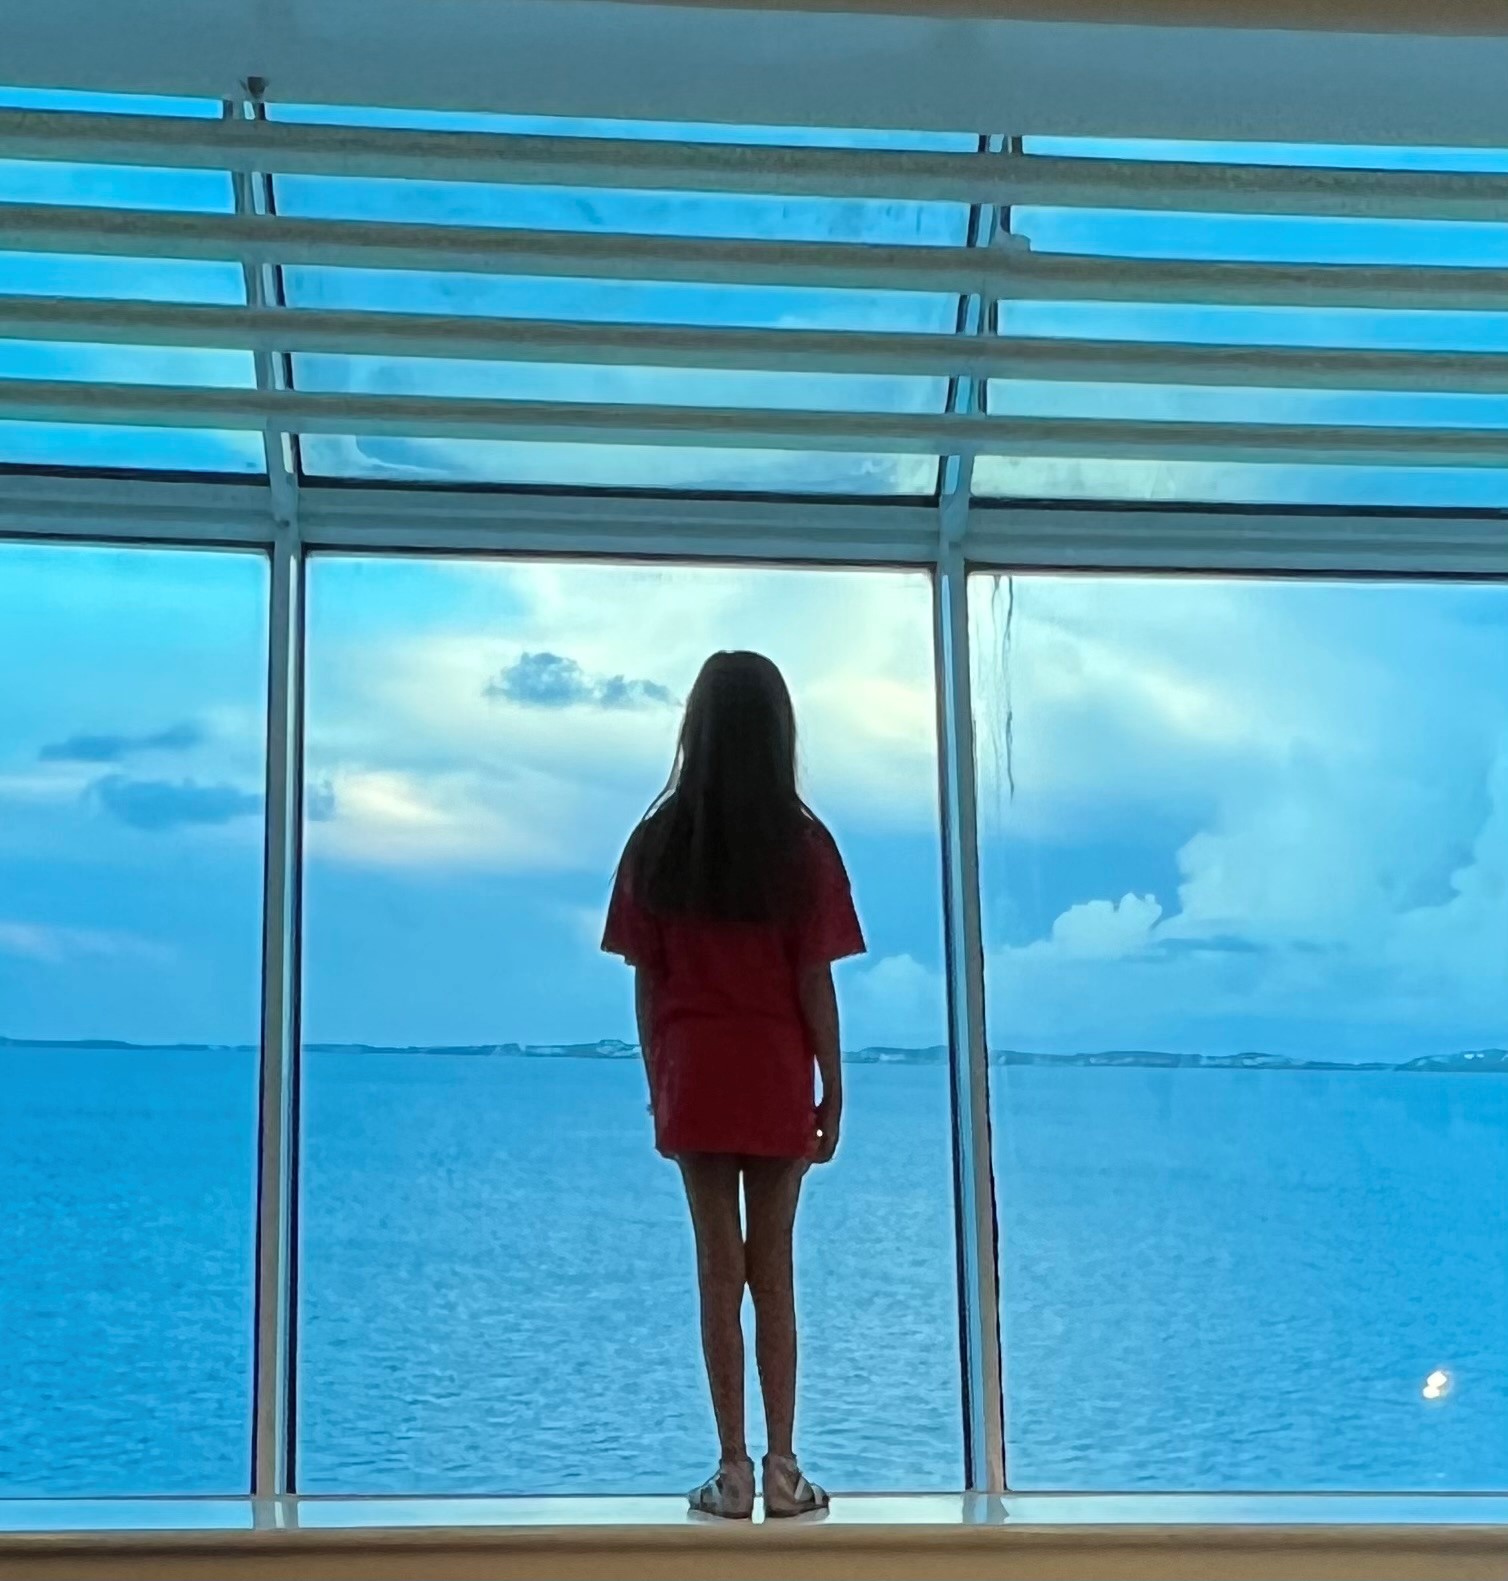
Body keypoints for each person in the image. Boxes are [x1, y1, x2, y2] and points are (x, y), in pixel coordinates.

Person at [602, 650, 865, 1520]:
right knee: (774, 1268)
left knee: (717, 1267)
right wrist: (833, 1083)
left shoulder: (659, 842)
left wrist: (657, 1085)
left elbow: (647, 981)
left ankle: (731, 1469)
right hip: (775, 1073)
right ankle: (786, 1468)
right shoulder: (804, 844)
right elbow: (813, 981)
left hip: (697, 1076)